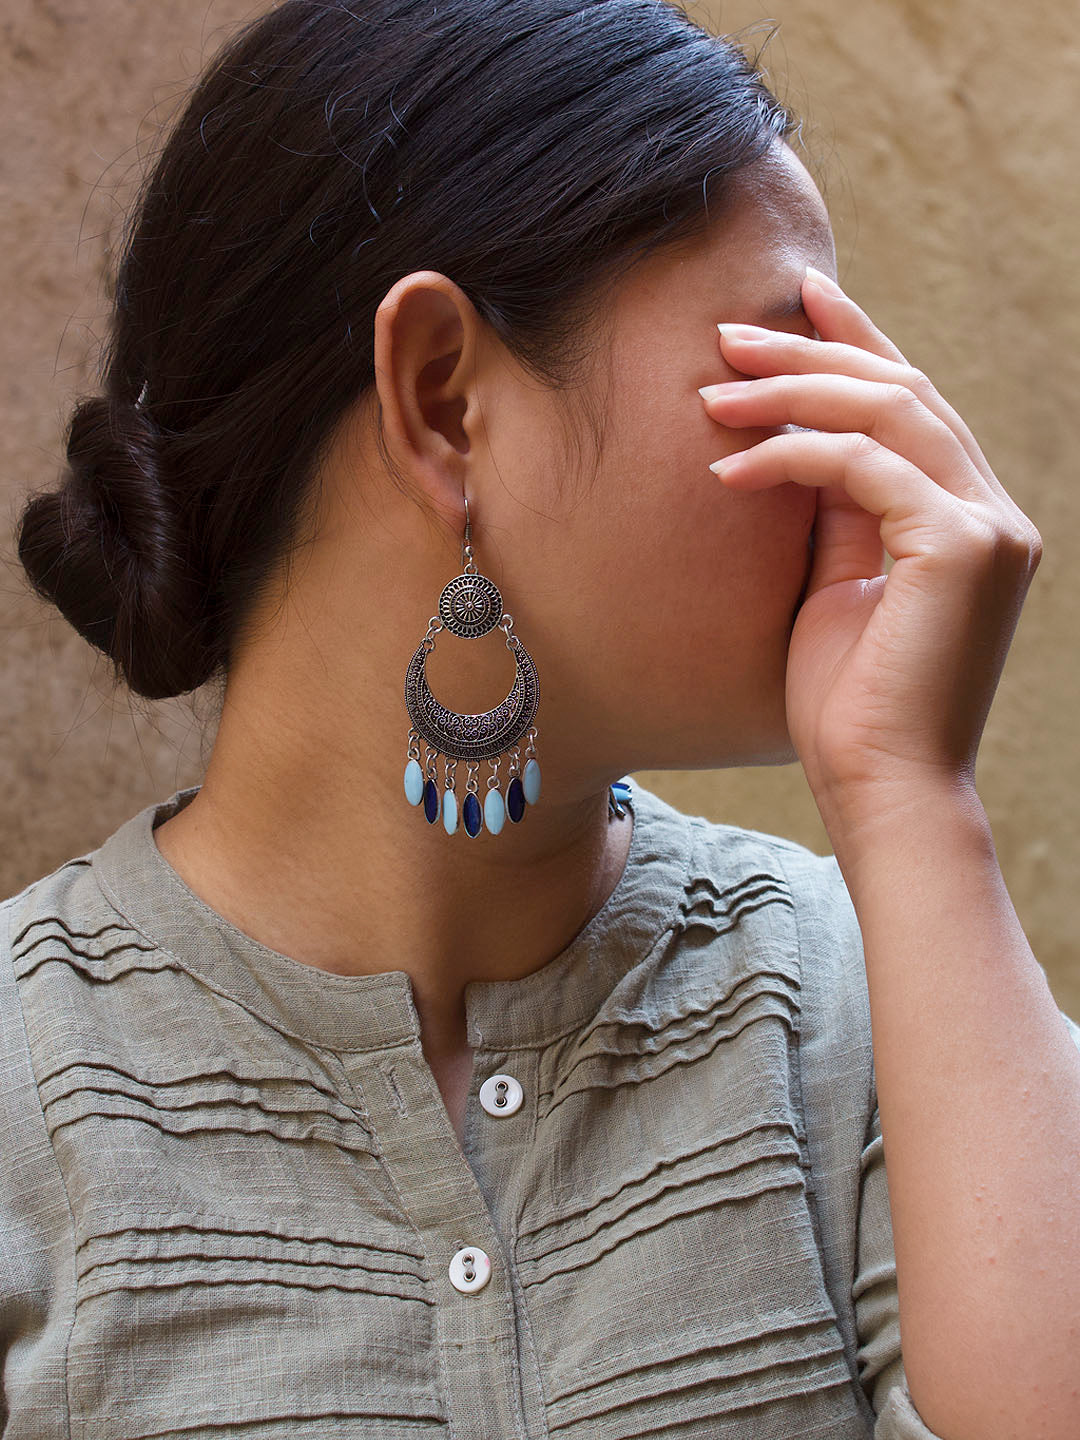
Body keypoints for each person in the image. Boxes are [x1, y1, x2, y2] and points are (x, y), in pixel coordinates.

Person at [4, 1, 1078, 1437]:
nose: (878, 456)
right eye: (788, 363)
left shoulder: (870, 995)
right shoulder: (24, 1085)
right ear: (446, 401)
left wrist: (911, 797)